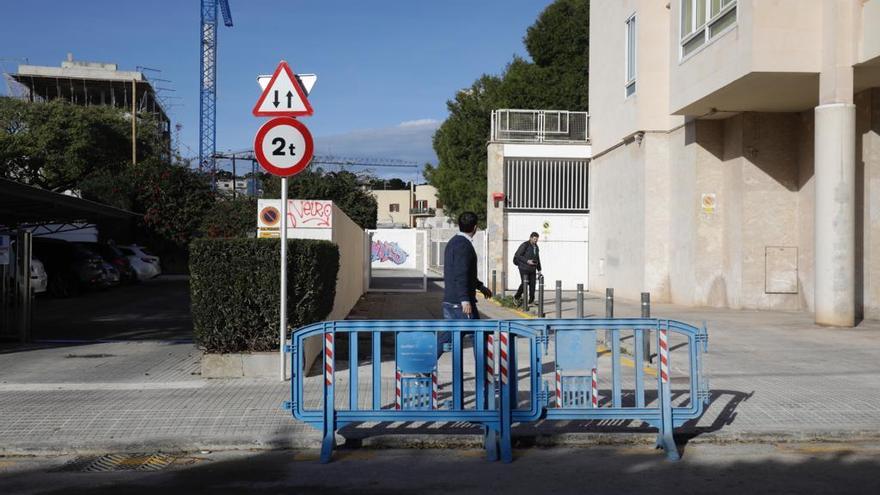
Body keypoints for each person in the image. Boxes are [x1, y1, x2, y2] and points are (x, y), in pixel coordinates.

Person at [438, 211, 492, 355]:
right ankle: (482, 375)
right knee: (477, 336)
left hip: (451, 301)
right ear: (475, 227)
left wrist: (480, 286)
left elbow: (465, 273)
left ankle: (424, 367)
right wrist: (464, 300)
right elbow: (461, 274)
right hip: (460, 304)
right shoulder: (464, 245)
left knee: (449, 336)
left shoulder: (453, 242)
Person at [513, 232, 542, 305]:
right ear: (530, 238)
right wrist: (527, 261)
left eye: (537, 239)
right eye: (534, 239)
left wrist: (539, 269)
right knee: (525, 283)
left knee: (533, 284)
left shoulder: (536, 247)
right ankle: (516, 297)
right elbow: (518, 255)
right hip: (523, 268)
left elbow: (537, 258)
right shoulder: (525, 245)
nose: (536, 240)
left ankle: (531, 301)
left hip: (532, 268)